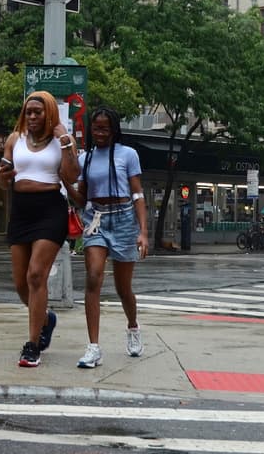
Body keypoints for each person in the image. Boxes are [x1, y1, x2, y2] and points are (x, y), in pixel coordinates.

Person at [0, 91, 79, 368]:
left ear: (50, 114)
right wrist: (1, 177)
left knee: (35, 275)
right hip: (21, 210)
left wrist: (65, 140)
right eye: (28, 112)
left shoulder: (61, 141)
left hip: (50, 209)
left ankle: (32, 346)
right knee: (20, 283)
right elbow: (2, 182)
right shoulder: (14, 139)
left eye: (38, 112)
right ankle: (45, 319)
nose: (32, 116)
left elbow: (73, 175)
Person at [73, 107, 149, 369]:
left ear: (114, 129)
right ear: (91, 130)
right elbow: (81, 198)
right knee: (93, 276)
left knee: (122, 288)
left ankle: (133, 327)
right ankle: (94, 347)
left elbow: (137, 193)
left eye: (105, 128)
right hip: (95, 219)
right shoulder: (86, 158)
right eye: (96, 128)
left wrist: (143, 231)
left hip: (124, 218)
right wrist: (64, 180)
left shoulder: (128, 154)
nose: (101, 132)